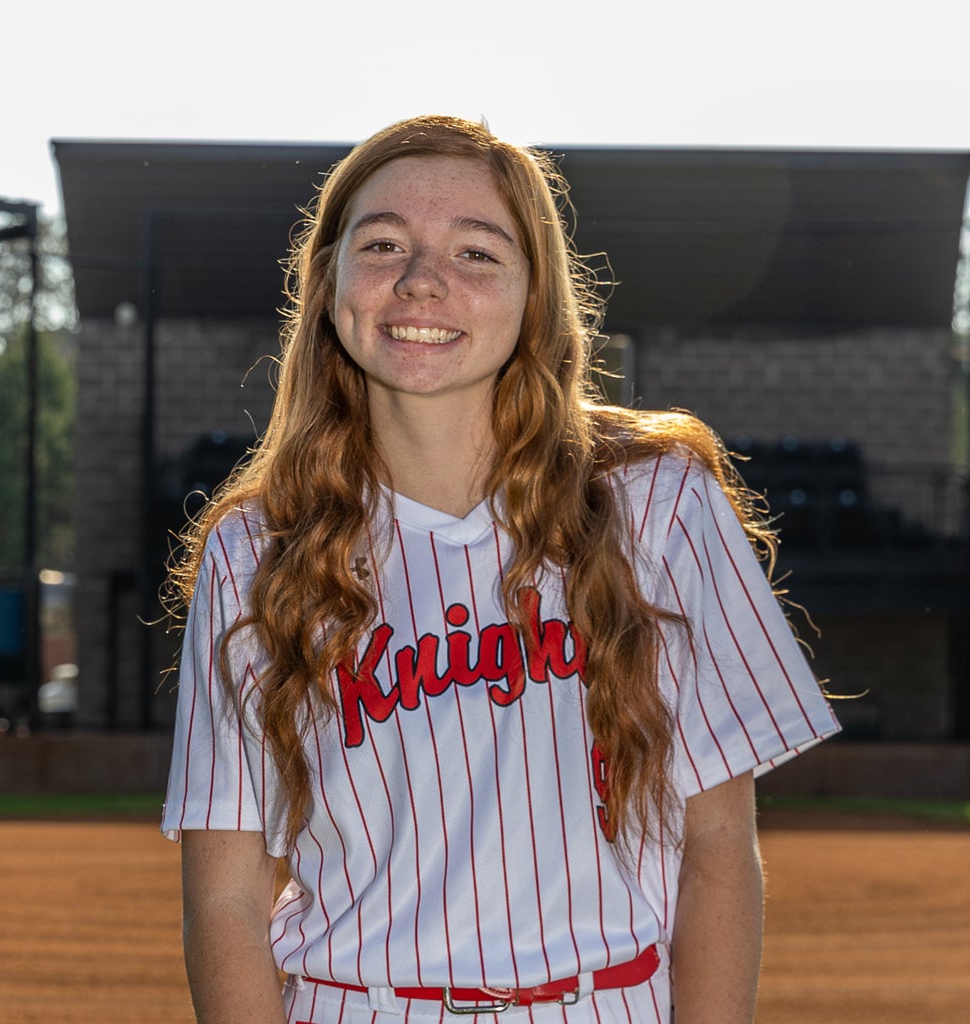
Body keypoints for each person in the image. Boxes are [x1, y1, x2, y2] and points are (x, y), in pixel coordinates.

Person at [161, 114, 840, 1024]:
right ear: (326, 284)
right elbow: (226, 898)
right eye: (383, 244)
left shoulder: (659, 504)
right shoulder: (256, 550)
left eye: (476, 253)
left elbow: (716, 844)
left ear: (535, 296)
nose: (421, 280)